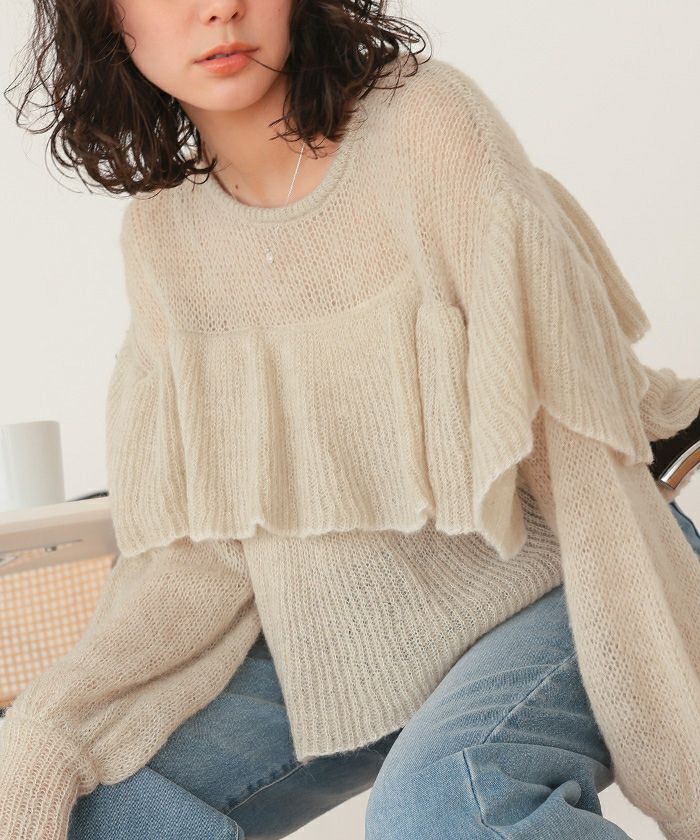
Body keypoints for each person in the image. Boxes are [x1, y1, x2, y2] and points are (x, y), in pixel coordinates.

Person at [1, 2, 700, 839]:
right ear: (108, 21)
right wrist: (54, 724)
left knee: (446, 801)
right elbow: (197, 549)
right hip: (343, 640)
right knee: (89, 806)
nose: (218, 8)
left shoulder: (426, 124)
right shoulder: (161, 236)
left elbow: (581, 458)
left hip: (554, 578)